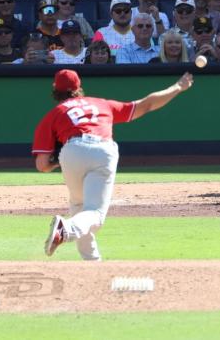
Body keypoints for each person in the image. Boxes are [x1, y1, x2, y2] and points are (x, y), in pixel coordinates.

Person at [34, 68, 194, 260]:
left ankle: (92, 261)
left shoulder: (53, 115)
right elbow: (147, 105)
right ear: (79, 87)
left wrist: (60, 158)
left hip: (71, 150)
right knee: (94, 213)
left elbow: (42, 165)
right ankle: (66, 229)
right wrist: (178, 86)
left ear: (54, 89)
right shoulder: (101, 104)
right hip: (102, 149)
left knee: (79, 205)